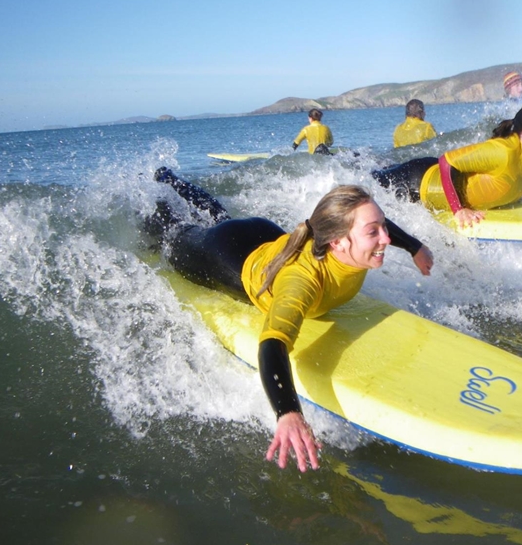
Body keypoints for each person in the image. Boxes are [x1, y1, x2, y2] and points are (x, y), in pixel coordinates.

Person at [149, 167, 434, 472]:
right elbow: (272, 343)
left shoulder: (347, 235)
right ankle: (152, 193)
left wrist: (415, 247)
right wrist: (287, 411)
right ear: (337, 242)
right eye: (373, 232)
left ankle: (169, 179)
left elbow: (373, 221)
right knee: (171, 234)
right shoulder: (302, 281)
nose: (386, 239)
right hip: (226, 253)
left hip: (266, 235)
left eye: (382, 228)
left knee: (219, 216)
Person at [371, 103, 522, 228]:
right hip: (416, 182)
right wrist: (458, 209)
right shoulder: (503, 152)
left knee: (382, 170)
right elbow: (446, 161)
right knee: (370, 180)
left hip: (426, 176)